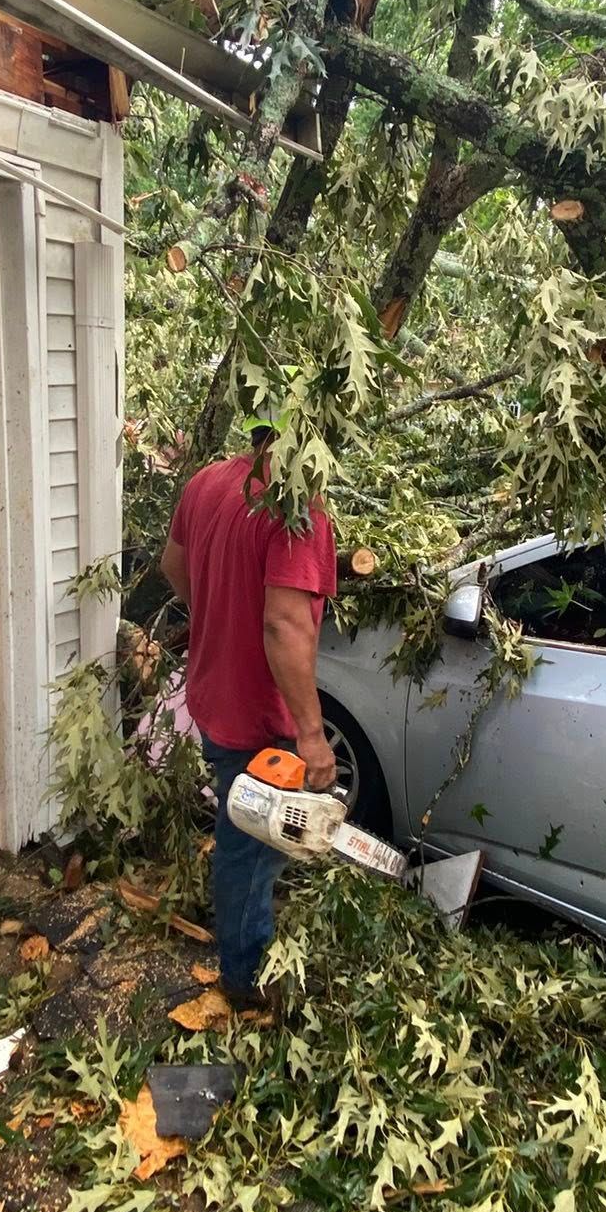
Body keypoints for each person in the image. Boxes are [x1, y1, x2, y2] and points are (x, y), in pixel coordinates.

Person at [159, 426, 337, 1005]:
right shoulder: (296, 511)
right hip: (257, 716)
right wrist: (312, 736)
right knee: (249, 848)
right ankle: (245, 979)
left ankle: (245, 942)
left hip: (213, 690)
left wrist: (215, 611)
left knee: (244, 834)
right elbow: (284, 624)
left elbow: (172, 567)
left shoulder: (209, 481)